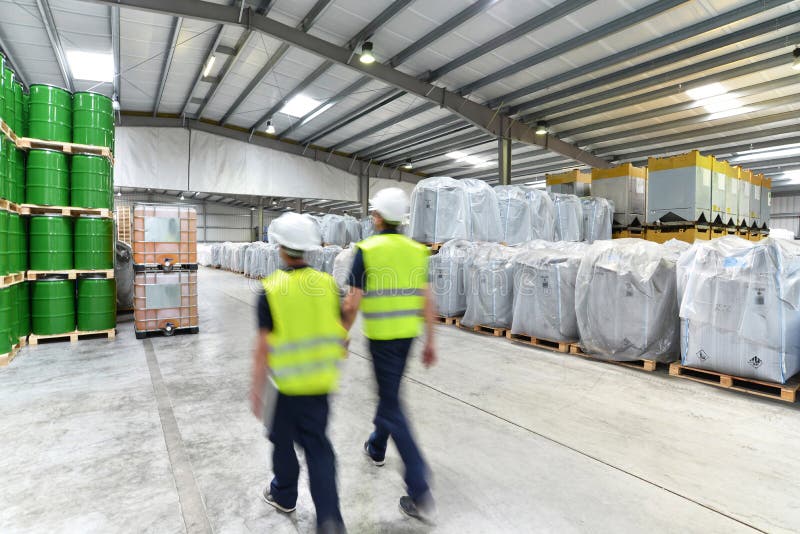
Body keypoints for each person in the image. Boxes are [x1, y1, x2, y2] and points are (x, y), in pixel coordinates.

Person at [341, 187, 438, 524]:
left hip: (381, 339)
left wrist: (341, 334)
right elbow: (427, 298)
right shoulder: (417, 251)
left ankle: (419, 486)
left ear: (380, 217)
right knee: (390, 395)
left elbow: (352, 301)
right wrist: (431, 340)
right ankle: (376, 446)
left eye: (373, 213)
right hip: (408, 337)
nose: (371, 217)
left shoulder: (366, 250)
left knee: (393, 405)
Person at [250, 212, 348, 534]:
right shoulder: (327, 285)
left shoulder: (271, 289)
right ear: (306, 250)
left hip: (286, 387)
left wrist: (256, 390)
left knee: (281, 442)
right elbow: (340, 331)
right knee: (319, 449)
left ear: (280, 248)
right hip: (320, 385)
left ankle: (284, 494)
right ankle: (330, 519)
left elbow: (263, 348)